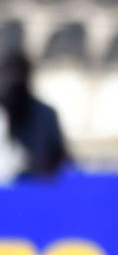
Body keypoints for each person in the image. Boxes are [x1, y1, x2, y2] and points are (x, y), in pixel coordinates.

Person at [0, 47, 68, 183]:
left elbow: (59, 154)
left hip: (35, 189)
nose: (14, 81)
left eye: (19, 75)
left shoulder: (45, 114)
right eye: (8, 75)